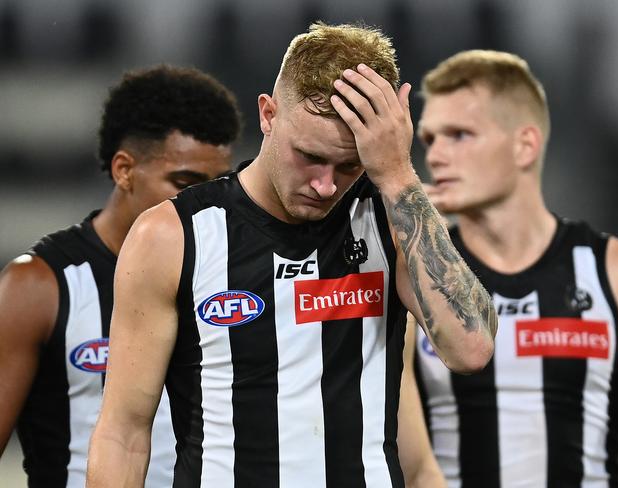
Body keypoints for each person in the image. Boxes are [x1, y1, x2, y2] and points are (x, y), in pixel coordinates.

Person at [86, 22, 497, 487]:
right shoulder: (173, 236)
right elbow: (123, 432)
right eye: (309, 155)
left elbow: (472, 348)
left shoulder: (392, 217)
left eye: (348, 165)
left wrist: (399, 173)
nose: (325, 184)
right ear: (268, 114)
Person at [412, 50, 618, 487]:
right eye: (429, 140)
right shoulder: (416, 279)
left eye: (459, 135)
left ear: (525, 145)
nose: (437, 156)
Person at [0, 65, 241, 487]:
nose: (204, 201)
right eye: (185, 182)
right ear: (124, 170)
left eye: (218, 184)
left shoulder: (230, 273)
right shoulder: (38, 286)